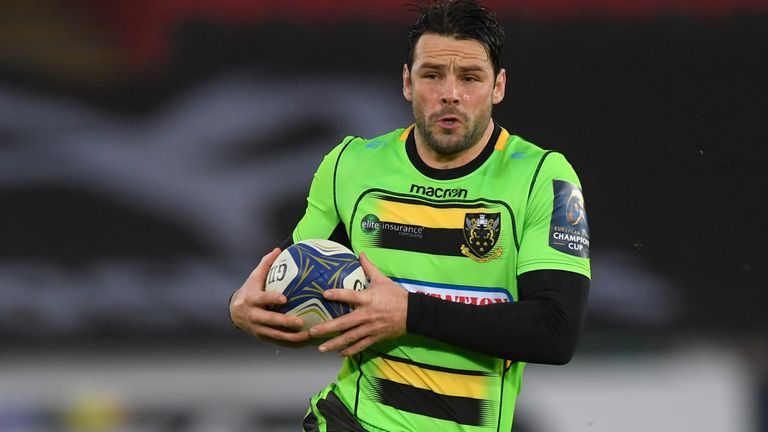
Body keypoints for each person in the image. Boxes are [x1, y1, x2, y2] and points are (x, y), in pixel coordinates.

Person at [229, 1, 591, 430]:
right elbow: (298, 283)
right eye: (432, 74)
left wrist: (409, 315)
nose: (450, 93)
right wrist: (246, 309)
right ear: (407, 81)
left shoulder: (540, 177)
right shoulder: (351, 166)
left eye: (470, 78)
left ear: (499, 87)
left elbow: (556, 331)